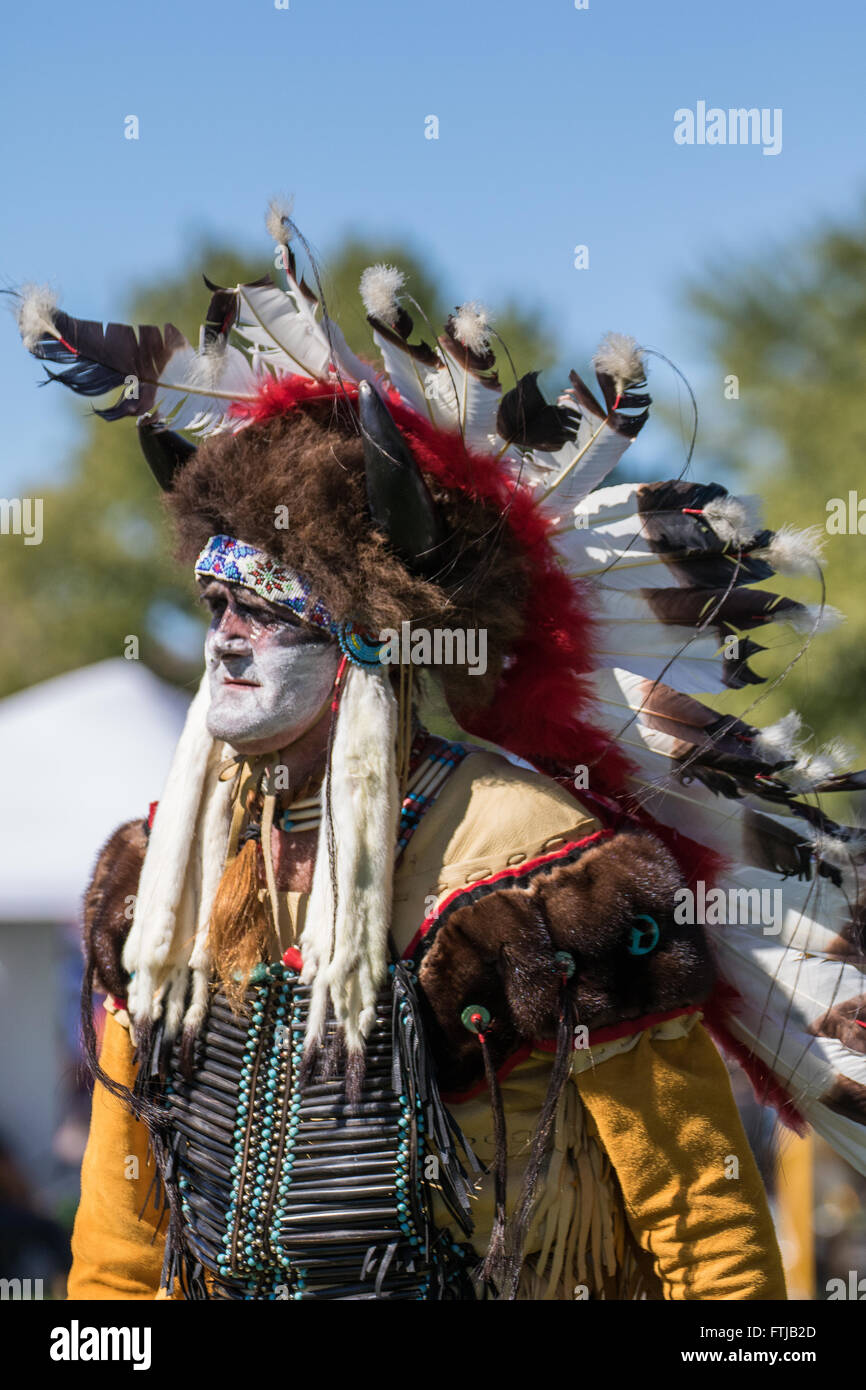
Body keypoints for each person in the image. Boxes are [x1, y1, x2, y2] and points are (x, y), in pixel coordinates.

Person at [14, 204, 866, 1300]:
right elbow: (120, 1252)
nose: (225, 635)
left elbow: (701, 1230)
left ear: (372, 645)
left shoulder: (550, 873)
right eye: (214, 598)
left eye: (269, 609)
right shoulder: (160, 875)